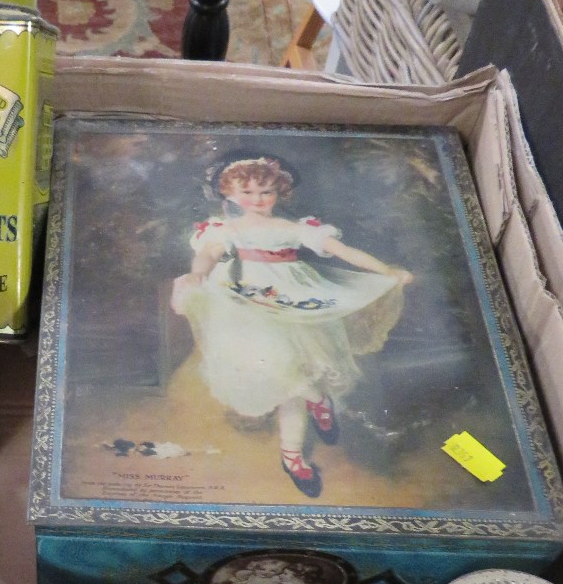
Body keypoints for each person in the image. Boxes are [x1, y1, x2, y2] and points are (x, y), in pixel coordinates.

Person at [171, 154, 413, 497]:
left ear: (280, 192)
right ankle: (316, 404)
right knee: (288, 379)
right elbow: (208, 255)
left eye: (265, 191)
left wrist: (386, 272)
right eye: (248, 192)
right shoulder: (225, 230)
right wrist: (198, 273)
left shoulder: (295, 229)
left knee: (294, 383)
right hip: (246, 305)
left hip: (297, 301)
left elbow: (344, 251)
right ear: (229, 193)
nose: (257, 199)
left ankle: (292, 454)